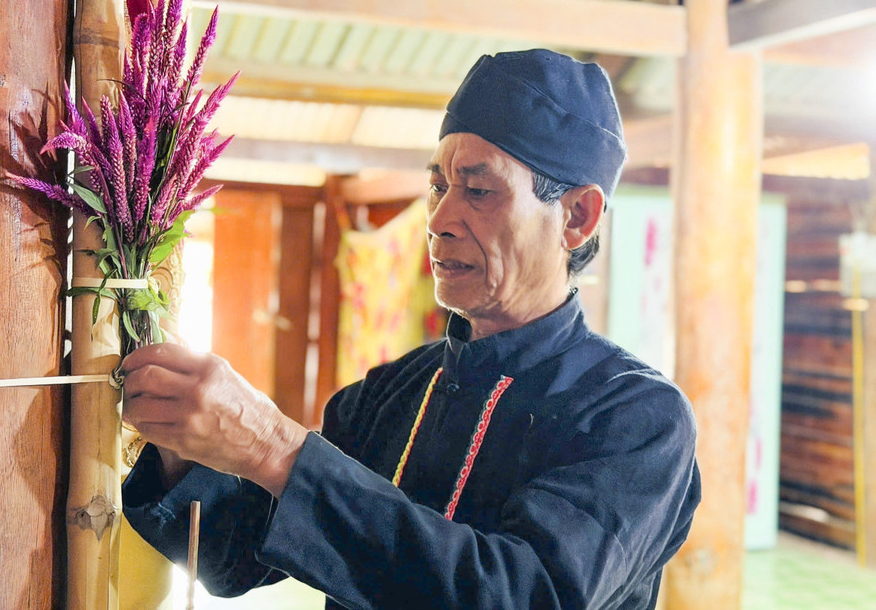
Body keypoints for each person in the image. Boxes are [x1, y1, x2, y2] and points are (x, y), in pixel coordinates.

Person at [122, 49, 701, 609]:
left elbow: (520, 595)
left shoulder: (636, 416)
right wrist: (181, 435)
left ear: (577, 216)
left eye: (478, 191)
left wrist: (271, 445)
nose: (441, 220)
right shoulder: (389, 392)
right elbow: (231, 557)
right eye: (438, 187)